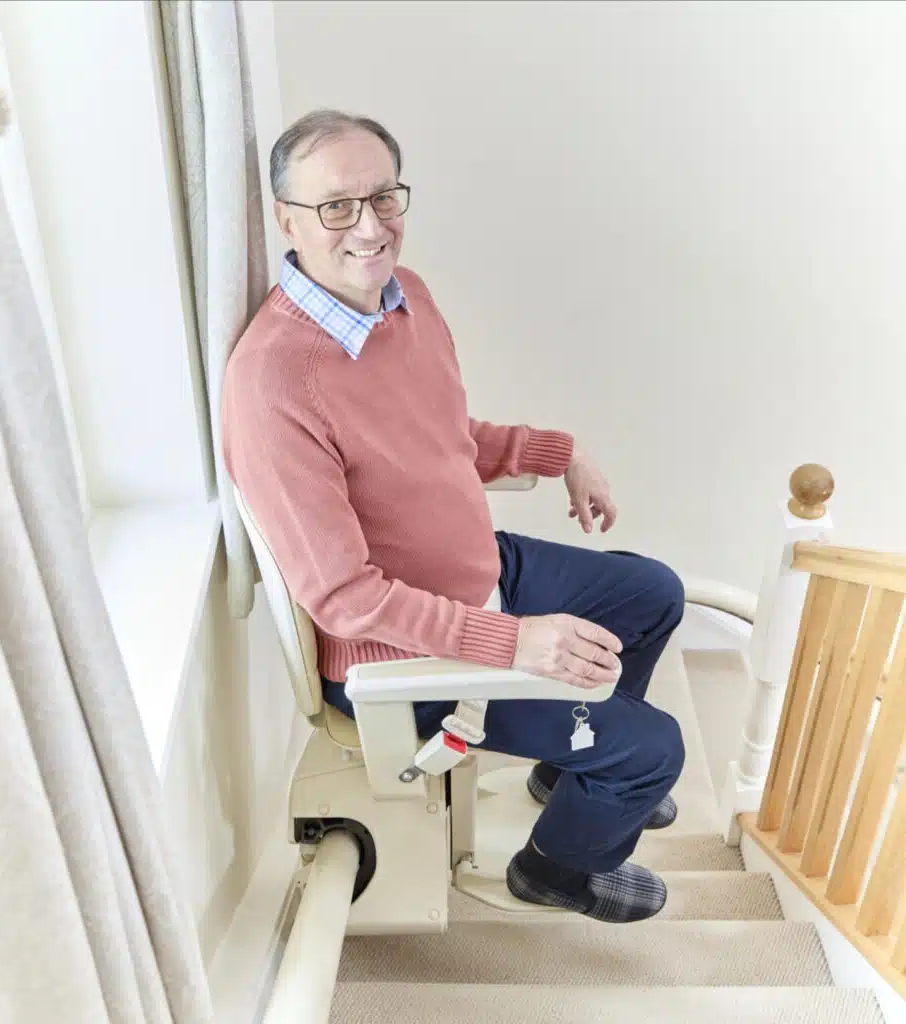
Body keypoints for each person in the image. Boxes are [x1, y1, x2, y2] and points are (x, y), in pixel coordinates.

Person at [222, 109, 686, 924]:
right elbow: (345, 599)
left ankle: (569, 775)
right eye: (336, 206)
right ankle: (554, 869)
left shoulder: (407, 300)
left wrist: (555, 451)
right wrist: (517, 642)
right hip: (400, 652)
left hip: (476, 567)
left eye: (383, 197)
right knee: (652, 752)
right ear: (285, 219)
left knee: (653, 593)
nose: (368, 226)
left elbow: (441, 439)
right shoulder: (274, 384)